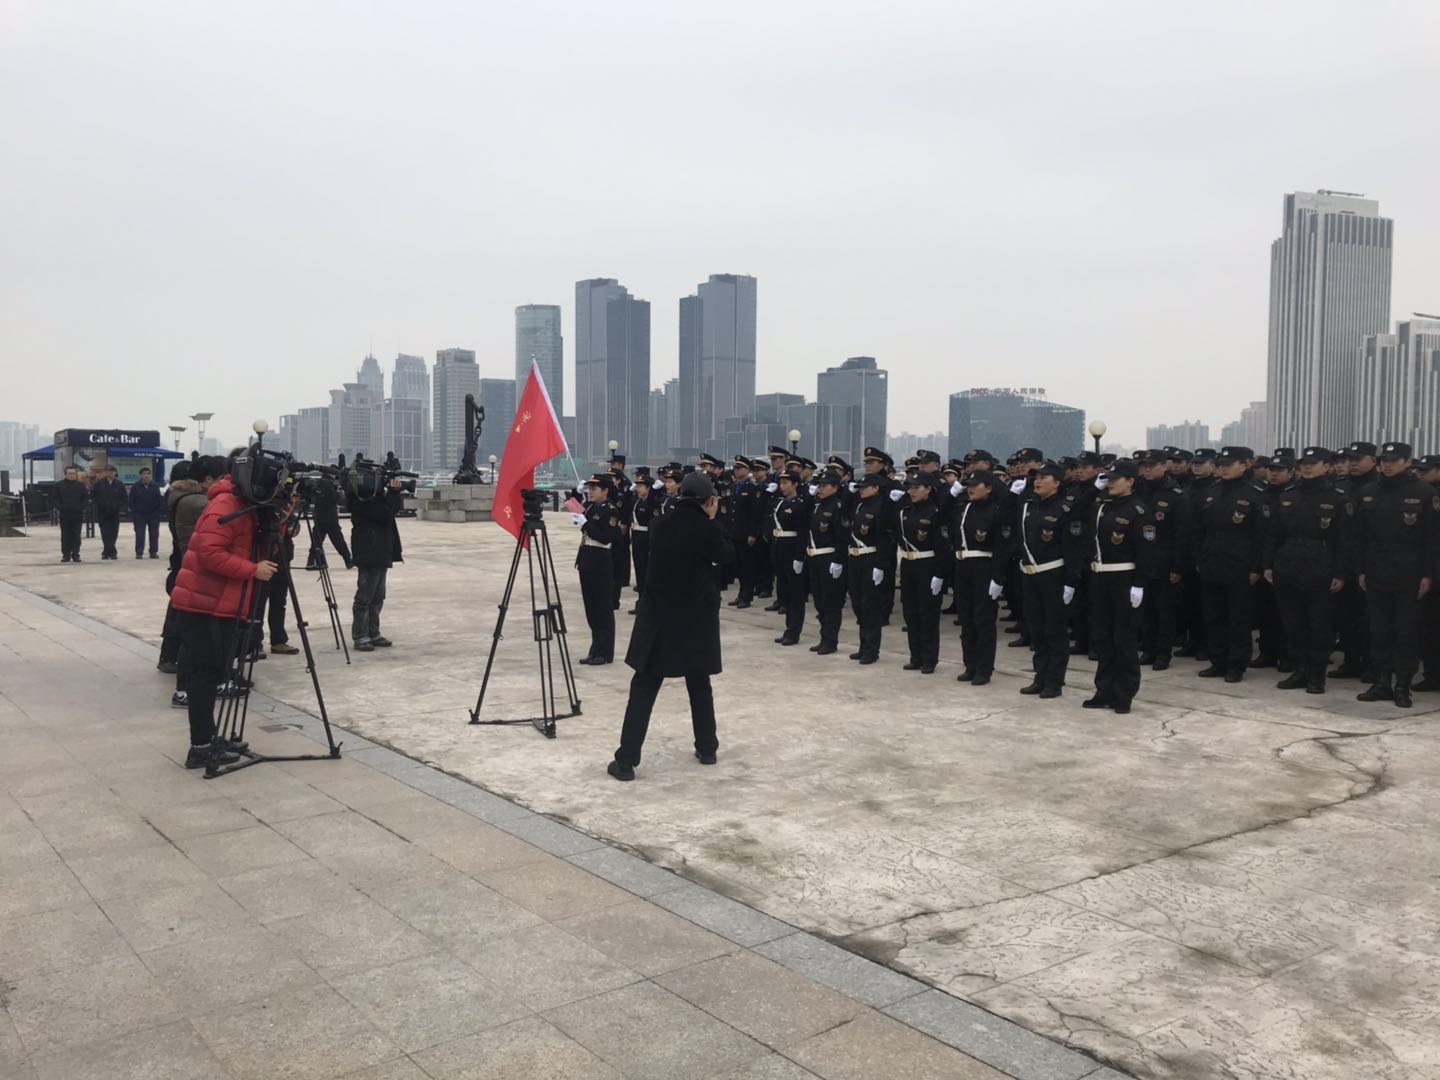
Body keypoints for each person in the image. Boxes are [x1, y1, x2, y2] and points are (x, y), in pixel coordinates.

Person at [608, 472, 734, 781]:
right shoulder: (708, 529)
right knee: (699, 684)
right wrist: (713, 521)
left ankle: (626, 760)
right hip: (695, 620)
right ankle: (707, 747)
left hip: (660, 619)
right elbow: (726, 556)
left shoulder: (659, 524)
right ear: (708, 501)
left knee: (644, 686)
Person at [169, 467, 279, 769]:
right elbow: (210, 552)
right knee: (205, 674)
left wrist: (280, 521)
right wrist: (252, 570)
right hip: (204, 603)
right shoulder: (226, 503)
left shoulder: (245, 504)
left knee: (212, 672)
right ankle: (201, 747)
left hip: (219, 601)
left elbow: (260, 546)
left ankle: (209, 738)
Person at [1352, 442, 1438, 708]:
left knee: (1405, 631)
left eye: (1393, 460)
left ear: (1407, 462)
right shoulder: (1368, 492)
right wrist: (1361, 570)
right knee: (1379, 630)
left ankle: (1403, 684)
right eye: (1384, 460)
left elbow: (1432, 540)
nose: (1387, 465)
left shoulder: (1424, 493)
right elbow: (1359, 537)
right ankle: (1382, 682)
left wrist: (1428, 574)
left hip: (1409, 573)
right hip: (1376, 571)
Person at [1264, 446, 1346, 694]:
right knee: (1293, 623)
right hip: (1288, 566)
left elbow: (1344, 541)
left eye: (1313, 463)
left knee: (1319, 625)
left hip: (1320, 567)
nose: (1307, 468)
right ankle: (1300, 670)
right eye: (1304, 464)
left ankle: (1317, 675)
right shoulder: (1288, 495)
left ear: (1327, 467)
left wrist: (1340, 573)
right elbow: (1274, 534)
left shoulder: (1337, 498)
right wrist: (1268, 564)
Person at [1084, 459, 1157, 713]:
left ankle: (1124, 693)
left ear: (1130, 481)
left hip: (1125, 579)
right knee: (1103, 637)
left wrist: (1139, 584)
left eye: (1116, 480)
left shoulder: (1139, 511)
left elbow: (1146, 552)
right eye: (1108, 479)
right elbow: (1075, 510)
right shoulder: (1101, 505)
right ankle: (1104, 690)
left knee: (1123, 639)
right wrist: (1094, 488)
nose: (1111, 483)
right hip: (1100, 577)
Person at [1194, 446, 1264, 682]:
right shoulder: (1211, 492)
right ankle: (1218, 661)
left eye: (1229, 464)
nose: (1223, 469)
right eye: (1221, 465)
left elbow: (1261, 536)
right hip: (1212, 563)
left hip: (1240, 566)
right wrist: (1200, 559)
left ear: (1244, 466)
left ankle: (1237, 664)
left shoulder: (1255, 493)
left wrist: (1256, 568)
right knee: (1214, 616)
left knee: (1238, 619)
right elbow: (1199, 530)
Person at [1016, 461, 1084, 698]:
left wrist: (1071, 581)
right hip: (1030, 575)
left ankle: (1054, 681)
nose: (1038, 481)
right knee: (1036, 629)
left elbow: (1073, 548)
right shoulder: (1028, 506)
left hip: (1054, 575)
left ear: (1057, 483)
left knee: (1054, 631)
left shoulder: (1065, 509)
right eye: (1036, 477)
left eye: (1044, 477)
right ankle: (1040, 676)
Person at [950, 471, 1011, 685]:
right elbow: (942, 517)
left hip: (984, 567)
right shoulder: (963, 508)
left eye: (976, 485)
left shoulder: (995, 511)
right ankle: (970, 664)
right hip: (963, 566)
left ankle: (984, 669)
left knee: (983, 620)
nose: (971, 488)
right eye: (969, 485)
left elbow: (1002, 547)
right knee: (966, 619)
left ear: (989, 487)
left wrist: (998, 578)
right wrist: (951, 494)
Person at [1134, 449, 1187, 670]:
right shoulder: (1138, 490)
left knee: (1164, 611)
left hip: (1164, 562)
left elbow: (1181, 534)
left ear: (1164, 466)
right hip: (1141, 561)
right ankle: (1148, 649)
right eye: (1144, 466)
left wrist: (1177, 567)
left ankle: (1163, 654)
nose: (1147, 470)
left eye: (1152, 466)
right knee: (1145, 610)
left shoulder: (1175, 495)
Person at [897, 473, 951, 674]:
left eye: (916, 487)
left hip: (927, 565)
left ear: (928, 489)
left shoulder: (935, 512)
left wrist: (939, 574)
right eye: (910, 487)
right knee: (910, 613)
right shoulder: (905, 512)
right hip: (908, 564)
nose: (912, 491)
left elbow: (942, 546)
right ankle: (916, 656)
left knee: (927, 614)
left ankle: (929, 658)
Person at [349, 470, 405, 653]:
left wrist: (391, 494)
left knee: (378, 596)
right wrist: (394, 494)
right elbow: (385, 514)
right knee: (365, 597)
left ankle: (373, 632)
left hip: (380, 552)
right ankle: (361, 635)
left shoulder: (376, 498)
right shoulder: (364, 500)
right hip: (370, 552)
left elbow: (389, 512)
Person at [574, 474, 620, 664]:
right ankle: (595, 648)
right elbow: (575, 508)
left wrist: (585, 524)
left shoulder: (610, 511)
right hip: (586, 561)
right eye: (589, 488)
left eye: (594, 489)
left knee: (602, 609)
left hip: (600, 562)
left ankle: (605, 652)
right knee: (591, 609)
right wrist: (576, 493)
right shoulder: (591, 507)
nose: (590, 492)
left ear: (605, 491)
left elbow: (605, 537)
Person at [805, 468, 848, 655]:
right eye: (819, 485)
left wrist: (838, 560)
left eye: (824, 486)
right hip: (815, 557)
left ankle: (831, 640)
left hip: (829, 559)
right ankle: (824, 637)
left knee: (831, 603)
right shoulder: (817, 506)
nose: (820, 489)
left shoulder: (837, 507)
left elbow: (842, 537)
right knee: (819, 601)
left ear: (835, 487)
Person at [770, 468, 810, 644]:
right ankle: (788, 629)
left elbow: (802, 533)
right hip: (780, 549)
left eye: (785, 483)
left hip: (792, 550)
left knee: (796, 595)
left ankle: (794, 632)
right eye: (781, 482)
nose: (782, 486)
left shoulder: (799, 505)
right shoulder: (780, 503)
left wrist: (799, 557)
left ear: (795, 484)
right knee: (785, 593)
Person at [306, 473, 352, 570]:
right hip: (329, 518)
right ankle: (348, 559)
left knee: (317, 541)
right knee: (338, 540)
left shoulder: (320, 482)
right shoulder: (327, 483)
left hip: (319, 516)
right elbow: (334, 498)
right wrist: (339, 492)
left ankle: (313, 561)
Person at [628, 471, 658, 615]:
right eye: (638, 486)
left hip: (646, 540)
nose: (638, 489)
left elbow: (654, 524)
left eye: (641, 486)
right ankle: (640, 601)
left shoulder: (653, 504)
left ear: (648, 488)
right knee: (639, 572)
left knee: (646, 573)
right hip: (636, 539)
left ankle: (648, 604)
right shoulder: (637, 501)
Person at [51, 464, 88, 562]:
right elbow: (55, 499)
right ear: (65, 474)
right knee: (65, 535)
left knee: (76, 535)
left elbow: (85, 498)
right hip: (64, 514)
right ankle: (66, 555)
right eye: (69, 473)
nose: (72, 475)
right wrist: (61, 508)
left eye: (73, 473)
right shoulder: (59, 485)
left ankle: (76, 554)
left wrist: (81, 507)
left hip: (77, 514)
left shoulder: (81, 485)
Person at [91, 465, 127, 559]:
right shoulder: (99, 484)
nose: (111, 473)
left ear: (115, 472)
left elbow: (124, 497)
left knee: (114, 532)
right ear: (105, 472)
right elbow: (94, 496)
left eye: (112, 471)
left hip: (115, 512)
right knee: (105, 532)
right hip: (103, 512)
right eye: (109, 471)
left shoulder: (119, 484)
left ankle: (107, 552)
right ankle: (111, 552)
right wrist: (100, 504)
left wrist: (120, 507)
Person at [129, 467, 165, 559]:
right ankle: (139, 552)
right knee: (140, 534)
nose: (146, 475)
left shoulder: (155, 486)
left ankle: (153, 552)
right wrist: (135, 512)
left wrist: (158, 511)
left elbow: (159, 500)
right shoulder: (135, 487)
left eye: (148, 473)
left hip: (153, 514)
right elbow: (131, 501)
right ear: (141, 475)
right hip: (139, 515)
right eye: (144, 473)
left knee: (154, 534)